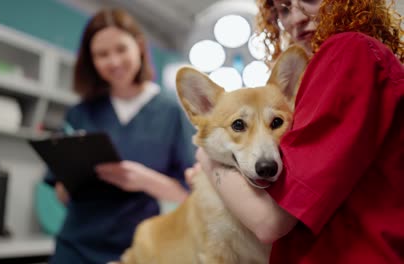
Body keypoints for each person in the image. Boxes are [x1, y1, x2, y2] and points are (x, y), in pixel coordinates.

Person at [194, 0, 404, 263]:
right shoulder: (333, 72)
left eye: (310, 0)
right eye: (283, 9)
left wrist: (208, 159)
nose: (296, 19)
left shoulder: (349, 51)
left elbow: (269, 220)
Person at [44, 8, 195, 264]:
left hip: (139, 250)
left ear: (139, 47)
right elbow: (61, 194)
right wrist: (74, 175)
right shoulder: (80, 113)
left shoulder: (170, 113)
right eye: (102, 55)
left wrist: (144, 180)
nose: (113, 61)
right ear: (91, 61)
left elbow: (189, 195)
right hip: (75, 248)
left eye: (121, 49)